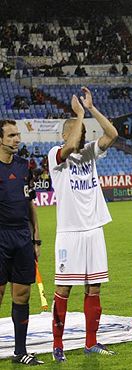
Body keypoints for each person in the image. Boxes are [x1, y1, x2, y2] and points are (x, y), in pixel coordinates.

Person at [49, 87, 118, 362]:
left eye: (85, 133)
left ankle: (91, 342)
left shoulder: (90, 152)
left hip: (94, 230)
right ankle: (58, 345)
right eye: (78, 132)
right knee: (64, 289)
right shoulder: (56, 154)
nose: (84, 136)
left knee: (94, 288)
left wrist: (90, 110)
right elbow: (69, 145)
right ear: (67, 134)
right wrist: (77, 115)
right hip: (70, 233)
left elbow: (112, 134)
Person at [0, 119, 43, 366]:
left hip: (22, 238)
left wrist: (36, 238)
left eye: (18, 135)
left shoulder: (24, 166)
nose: (17, 139)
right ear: (0, 139)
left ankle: (20, 351)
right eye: (12, 135)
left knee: (22, 294)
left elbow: (30, 204)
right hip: (1, 236)